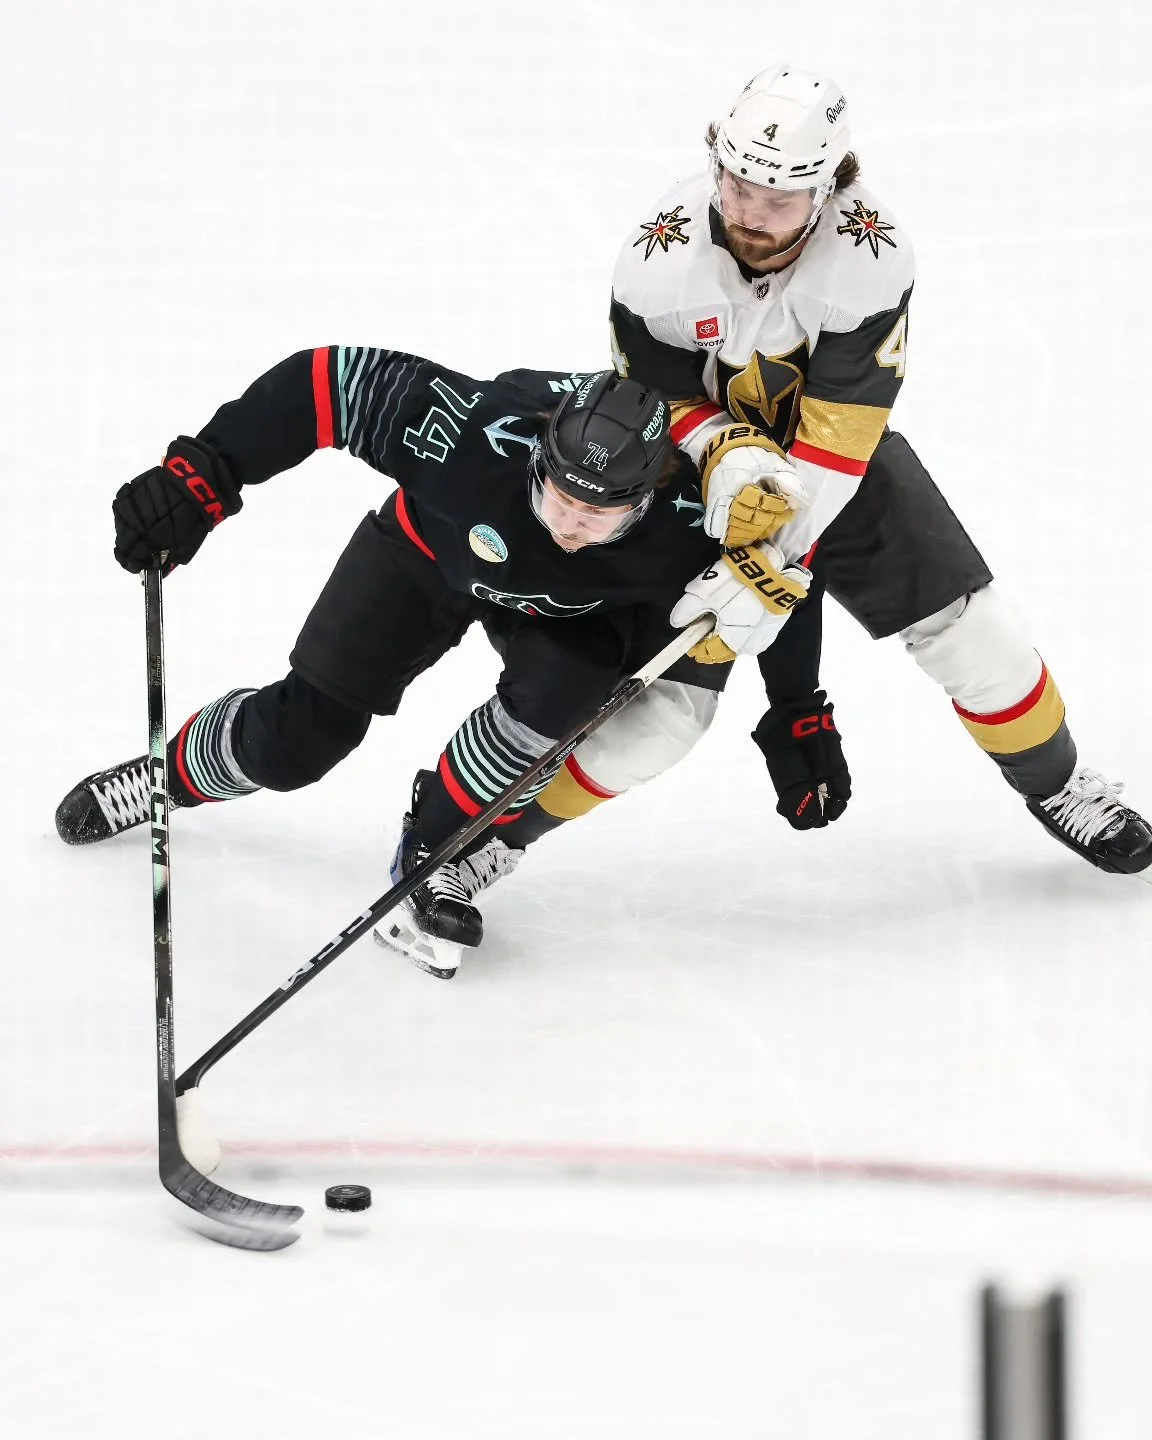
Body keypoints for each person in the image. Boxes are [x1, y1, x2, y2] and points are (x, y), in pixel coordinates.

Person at [54, 350, 840, 976]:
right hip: (431, 553)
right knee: (300, 741)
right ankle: (167, 776)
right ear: (539, 456)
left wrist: (794, 703)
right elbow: (322, 382)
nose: (570, 523)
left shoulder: (697, 517)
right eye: (560, 496)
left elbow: (790, 577)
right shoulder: (470, 431)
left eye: (599, 513)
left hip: (573, 616)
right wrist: (202, 476)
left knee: (568, 699)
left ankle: (435, 843)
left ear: (645, 499)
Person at [569, 61, 1150, 877]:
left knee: (979, 638)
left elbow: (838, 439)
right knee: (661, 714)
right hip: (692, 475)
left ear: (831, 186)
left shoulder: (869, 256)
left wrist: (766, 558)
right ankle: (482, 838)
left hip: (836, 464)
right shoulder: (657, 255)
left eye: (777, 199)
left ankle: (1058, 784)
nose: (748, 215)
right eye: (735, 186)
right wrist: (725, 459)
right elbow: (652, 401)